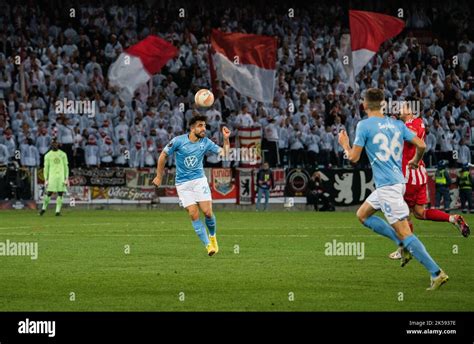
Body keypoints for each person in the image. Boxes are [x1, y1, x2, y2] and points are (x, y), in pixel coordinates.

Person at [338, 88, 448, 290]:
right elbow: (421, 144)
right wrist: (415, 161)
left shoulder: (364, 125)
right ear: (383, 105)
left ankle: (436, 272)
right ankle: (401, 244)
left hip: (388, 187)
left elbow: (353, 158)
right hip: (394, 183)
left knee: (406, 232)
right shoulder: (397, 124)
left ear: (364, 105)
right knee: (362, 214)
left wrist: (344, 145)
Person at [389, 105, 469, 260]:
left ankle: (405, 248)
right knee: (420, 213)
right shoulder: (414, 123)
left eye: (402, 108)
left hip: (408, 178)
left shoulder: (414, 123)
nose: (399, 109)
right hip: (419, 175)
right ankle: (453, 219)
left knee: (402, 215)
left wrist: (395, 127)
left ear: (410, 111)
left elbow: (414, 139)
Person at [152, 115, 230, 256]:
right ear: (192, 128)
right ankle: (208, 246)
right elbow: (163, 155)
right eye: (200, 126)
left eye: (205, 126)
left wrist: (226, 139)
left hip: (199, 180)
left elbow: (224, 153)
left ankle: (213, 237)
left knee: (207, 212)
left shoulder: (205, 142)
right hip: (183, 184)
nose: (204, 129)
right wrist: (159, 176)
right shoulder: (178, 141)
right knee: (194, 214)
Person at [39, 139, 69, 216]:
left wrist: (66, 178)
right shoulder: (47, 155)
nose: (54, 145)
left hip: (61, 177)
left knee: (60, 193)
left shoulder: (63, 154)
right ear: (51, 145)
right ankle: (43, 209)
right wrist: (46, 179)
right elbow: (46, 168)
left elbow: (66, 167)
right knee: (49, 193)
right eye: (53, 144)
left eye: (56, 143)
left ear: (58, 144)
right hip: (52, 177)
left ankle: (57, 211)